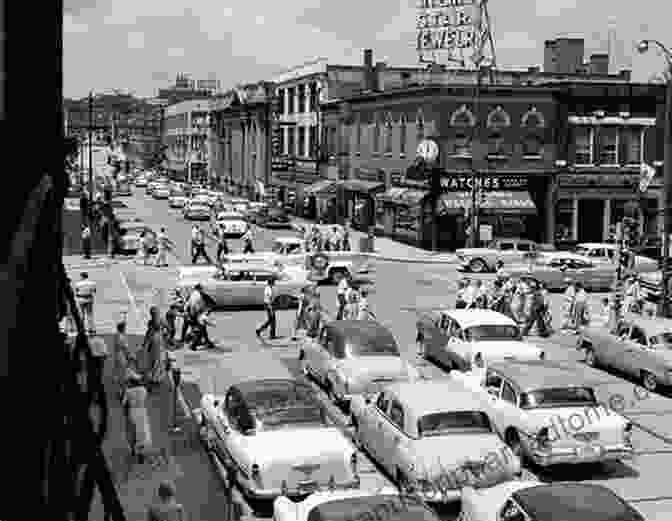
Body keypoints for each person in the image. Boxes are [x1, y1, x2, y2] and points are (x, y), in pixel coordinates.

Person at [122, 370, 152, 461]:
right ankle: (141, 452)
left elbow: (124, 403)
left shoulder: (128, 391)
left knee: (132, 432)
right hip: (142, 413)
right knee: (142, 432)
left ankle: (133, 449)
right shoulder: (143, 390)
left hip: (132, 413)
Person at [143, 306, 166, 387]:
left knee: (154, 359)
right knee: (158, 360)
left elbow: (148, 333)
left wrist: (145, 343)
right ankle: (156, 377)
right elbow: (167, 329)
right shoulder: (161, 321)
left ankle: (154, 377)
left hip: (154, 341)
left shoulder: (151, 322)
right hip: (159, 341)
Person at [113, 320, 133, 398]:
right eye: (124, 328)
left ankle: (120, 391)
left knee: (120, 374)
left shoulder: (117, 335)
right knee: (123, 375)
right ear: (122, 329)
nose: (125, 329)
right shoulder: (122, 337)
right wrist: (130, 356)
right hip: (122, 357)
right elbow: (126, 349)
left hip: (118, 356)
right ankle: (123, 393)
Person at [88, 334, 109, 403]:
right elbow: (105, 353)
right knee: (98, 379)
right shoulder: (101, 340)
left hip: (91, 360)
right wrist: (103, 359)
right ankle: (99, 398)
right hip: (99, 360)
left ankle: (92, 397)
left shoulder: (89, 341)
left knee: (91, 378)